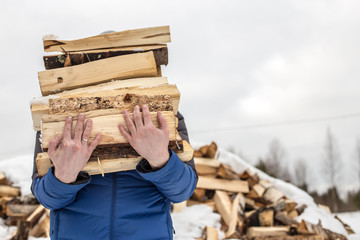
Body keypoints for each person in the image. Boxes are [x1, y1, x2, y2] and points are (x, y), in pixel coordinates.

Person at [31, 105, 198, 240]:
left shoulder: (160, 113)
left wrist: (160, 159)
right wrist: (64, 177)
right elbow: (46, 198)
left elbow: (182, 191)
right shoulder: (57, 119)